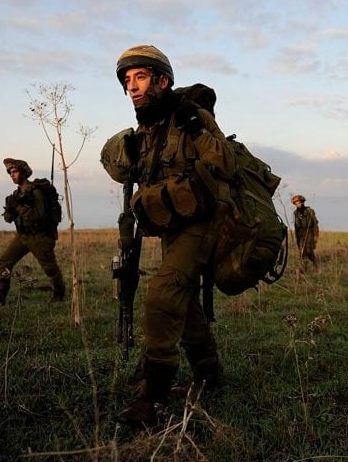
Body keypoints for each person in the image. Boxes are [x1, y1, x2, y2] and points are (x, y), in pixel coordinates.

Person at [111, 45, 236, 428]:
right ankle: (208, 373)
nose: (132, 87)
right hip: (173, 224)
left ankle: (152, 395)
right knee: (185, 301)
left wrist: (197, 127)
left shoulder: (190, 117)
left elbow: (225, 163)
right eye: (127, 80)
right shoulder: (148, 129)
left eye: (141, 77)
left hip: (203, 222)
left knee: (164, 292)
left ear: (162, 80)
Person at [0, 158, 65, 306]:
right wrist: (9, 208)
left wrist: (18, 207)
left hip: (39, 236)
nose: (12, 175)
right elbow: (8, 219)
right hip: (22, 236)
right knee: (4, 261)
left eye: (15, 171)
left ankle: (59, 295)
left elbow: (38, 216)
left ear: (24, 172)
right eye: (10, 173)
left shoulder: (36, 191)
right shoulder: (16, 195)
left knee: (50, 268)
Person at [291, 194, 319, 272]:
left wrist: (316, 235)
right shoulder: (295, 213)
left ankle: (315, 265)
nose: (297, 204)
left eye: (298, 202)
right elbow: (296, 225)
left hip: (309, 232)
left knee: (309, 250)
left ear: (302, 202)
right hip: (300, 234)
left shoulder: (309, 211)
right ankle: (304, 268)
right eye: (296, 203)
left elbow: (315, 224)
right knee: (302, 252)